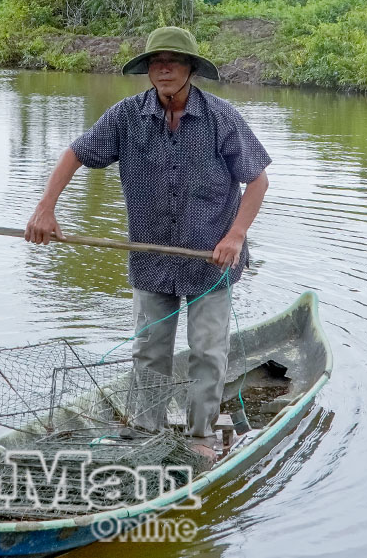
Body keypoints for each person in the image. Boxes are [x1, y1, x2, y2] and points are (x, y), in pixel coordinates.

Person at [24, 26, 271, 465]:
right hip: (152, 259)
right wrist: (46, 208)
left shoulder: (221, 118)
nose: (164, 69)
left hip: (211, 262)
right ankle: (145, 433)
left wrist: (235, 237)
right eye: (157, 62)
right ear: (148, 70)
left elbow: (257, 179)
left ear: (190, 69)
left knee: (207, 352)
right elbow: (76, 153)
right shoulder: (126, 116)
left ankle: (199, 435)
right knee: (149, 352)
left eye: (174, 61)